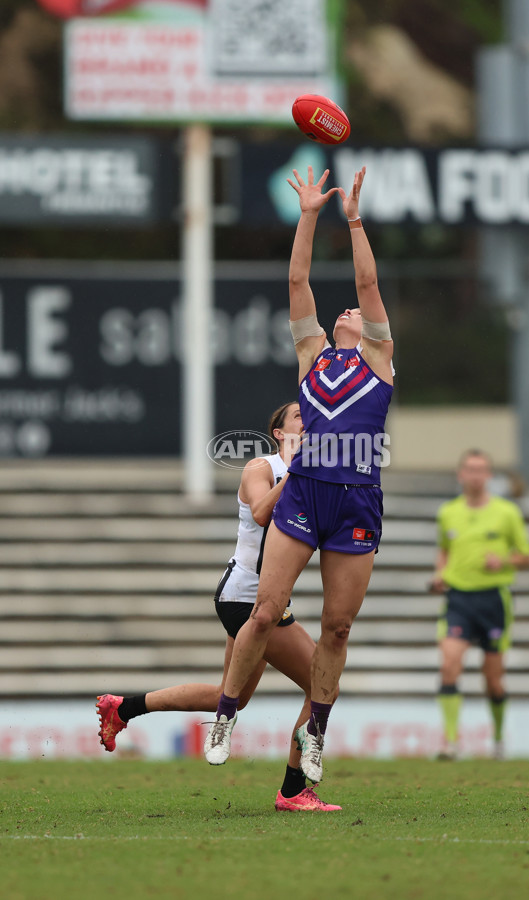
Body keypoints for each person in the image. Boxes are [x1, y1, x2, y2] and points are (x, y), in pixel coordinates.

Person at [203, 165, 394, 784]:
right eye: (344, 312)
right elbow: (296, 278)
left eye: (357, 312)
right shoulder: (311, 356)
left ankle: (315, 731)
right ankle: (226, 714)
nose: (349, 310)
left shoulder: (380, 360)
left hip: (357, 500)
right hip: (307, 492)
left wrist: (356, 218)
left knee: (337, 626)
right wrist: (310, 214)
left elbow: (366, 278)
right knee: (266, 610)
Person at [96, 401, 341, 812]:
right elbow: (264, 514)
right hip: (246, 599)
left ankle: (123, 708)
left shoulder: (314, 475)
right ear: (279, 433)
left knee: (230, 695)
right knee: (322, 683)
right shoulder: (260, 468)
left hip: (260, 599)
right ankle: (294, 790)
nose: (306, 418)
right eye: (297, 415)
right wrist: (299, 471)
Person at [429, 448, 529, 760]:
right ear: (461, 475)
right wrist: (440, 574)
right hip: (458, 598)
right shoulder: (448, 512)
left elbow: (526, 556)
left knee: (493, 679)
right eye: (470, 470)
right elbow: (444, 550)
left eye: (481, 470)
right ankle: (450, 742)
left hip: (493, 600)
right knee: (449, 665)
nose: (475, 475)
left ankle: (499, 739)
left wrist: (501, 560)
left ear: (489, 475)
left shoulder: (507, 513)